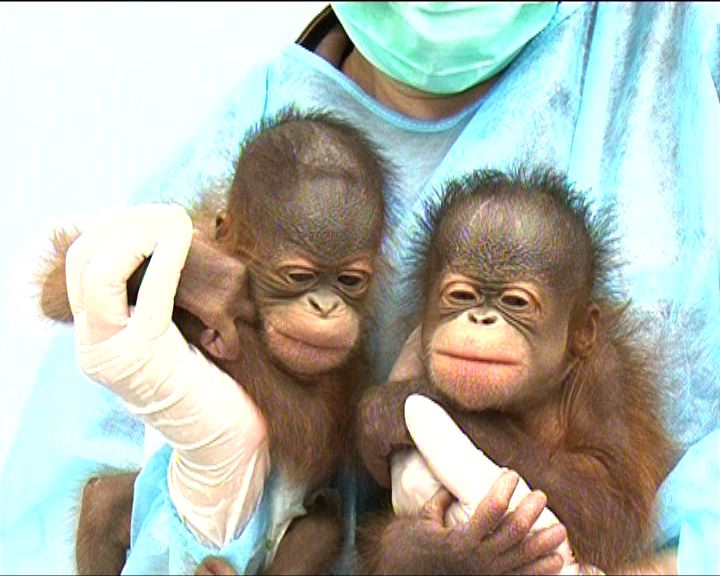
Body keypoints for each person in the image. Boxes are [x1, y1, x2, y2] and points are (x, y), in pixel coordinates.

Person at [2, 1, 718, 574]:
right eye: (463, 299)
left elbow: (610, 509)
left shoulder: (671, 52)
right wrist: (208, 472)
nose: (324, 307)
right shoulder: (241, 161)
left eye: (348, 284)